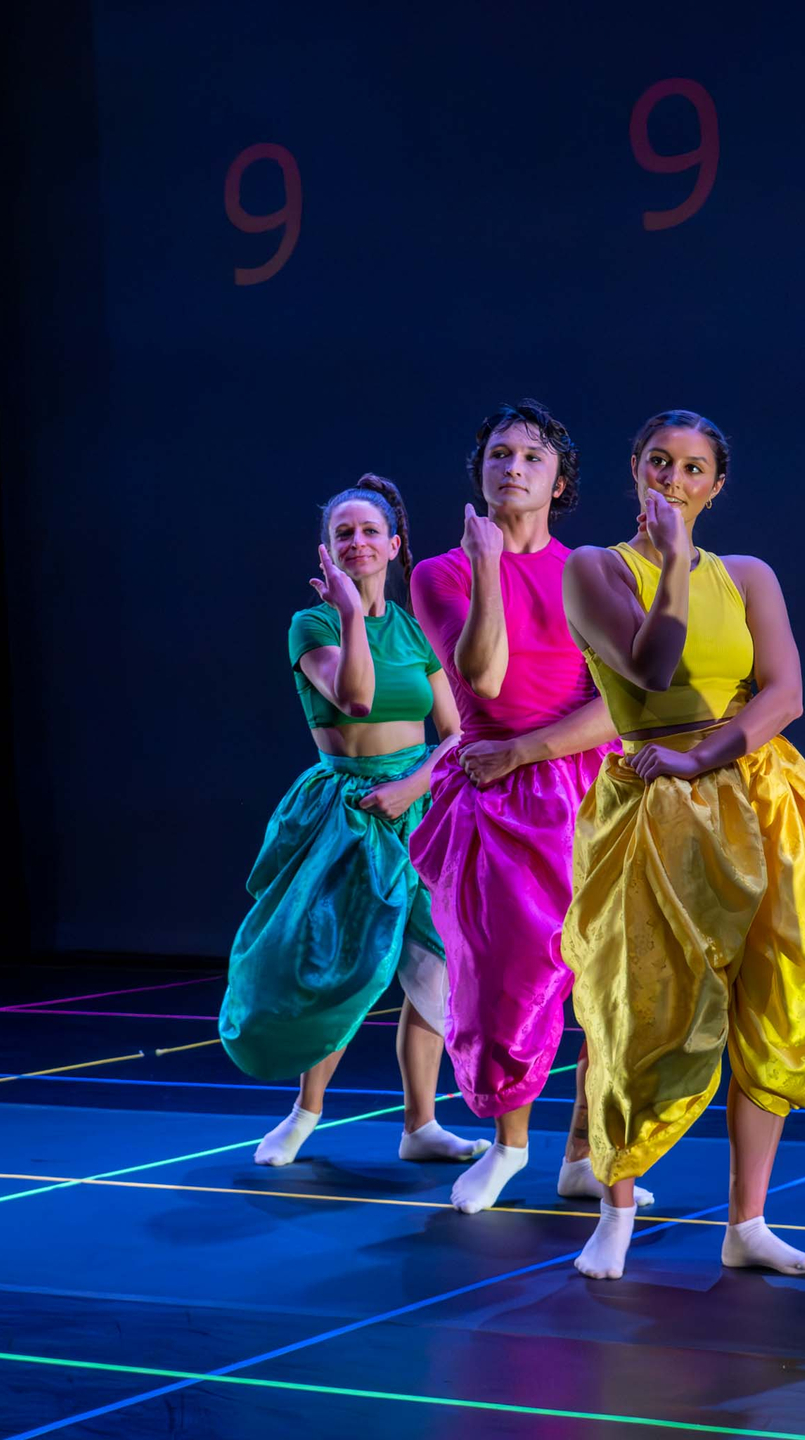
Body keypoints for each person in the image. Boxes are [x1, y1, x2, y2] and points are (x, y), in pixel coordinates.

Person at [561, 410, 805, 1281]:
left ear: (716, 485)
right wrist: (676, 563)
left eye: (694, 470)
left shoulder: (751, 574)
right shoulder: (595, 569)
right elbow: (651, 668)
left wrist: (707, 754)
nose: (675, 482)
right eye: (660, 464)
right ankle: (615, 1202)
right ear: (636, 472)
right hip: (652, 806)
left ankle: (748, 1221)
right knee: (641, 999)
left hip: (754, 792)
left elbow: (784, 692)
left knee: (778, 990)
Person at [409, 401, 649, 1215]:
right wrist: (486, 567)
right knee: (507, 984)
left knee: (601, 988)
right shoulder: (440, 572)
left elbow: (626, 702)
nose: (513, 466)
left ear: (560, 480)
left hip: (587, 791)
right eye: (499, 454)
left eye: (532, 457)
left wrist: (527, 751)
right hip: (500, 809)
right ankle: (510, 1148)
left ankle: (585, 1154)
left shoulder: (592, 570)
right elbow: (484, 679)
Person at [221, 475, 481, 1168]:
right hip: (350, 812)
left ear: (394, 545)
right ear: (328, 550)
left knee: (434, 970)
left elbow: (455, 729)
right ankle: (306, 1114)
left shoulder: (416, 628)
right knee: (343, 965)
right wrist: (346, 614)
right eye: (345, 534)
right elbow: (357, 700)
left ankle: (420, 1125)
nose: (358, 543)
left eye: (370, 532)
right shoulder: (312, 626)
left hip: (420, 809)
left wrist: (415, 785)